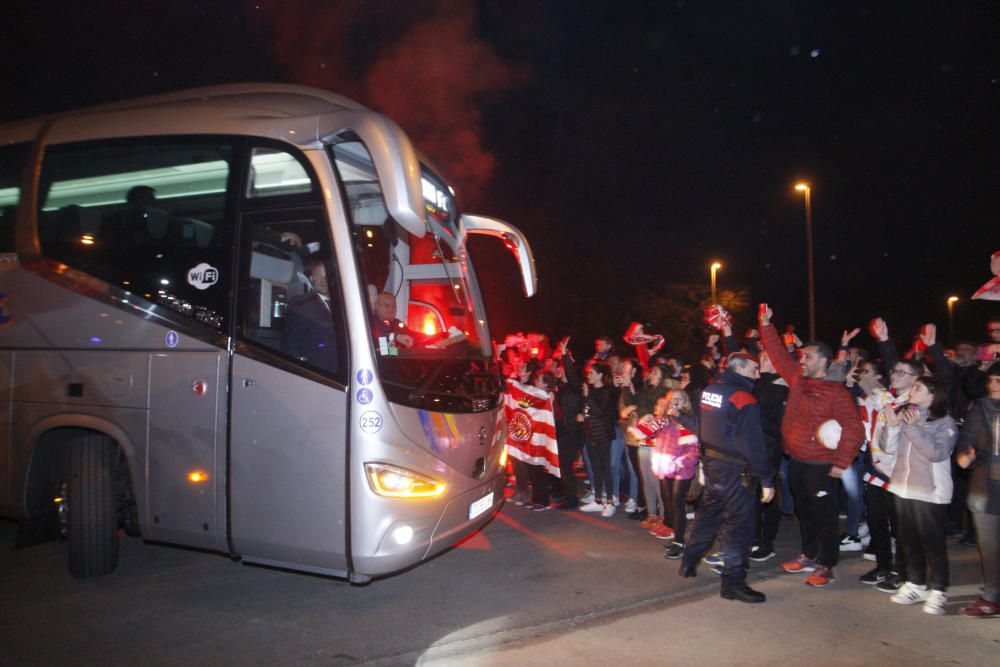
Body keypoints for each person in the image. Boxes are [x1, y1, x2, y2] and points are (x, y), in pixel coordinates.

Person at [759, 305, 865, 588]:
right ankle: (808, 553)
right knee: (803, 512)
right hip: (796, 462)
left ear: (825, 361)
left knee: (825, 515)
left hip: (822, 467)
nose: (801, 359)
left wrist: (841, 463)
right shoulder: (797, 380)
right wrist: (766, 325)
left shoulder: (836, 392)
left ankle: (826, 564)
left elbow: (855, 429)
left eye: (807, 356)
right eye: (801, 355)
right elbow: (778, 354)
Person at [677, 353, 775, 604]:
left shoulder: (712, 389)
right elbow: (753, 443)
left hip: (712, 465)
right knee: (738, 527)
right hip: (735, 470)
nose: (758, 374)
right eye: (754, 369)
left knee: (709, 515)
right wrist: (766, 478)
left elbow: (704, 426)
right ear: (740, 369)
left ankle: (689, 561)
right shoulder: (743, 398)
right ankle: (732, 583)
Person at [880, 376, 957, 615]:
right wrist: (892, 425)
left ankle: (939, 590)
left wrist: (912, 429)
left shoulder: (945, 422)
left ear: (933, 395)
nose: (911, 391)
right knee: (907, 539)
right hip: (903, 487)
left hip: (930, 492)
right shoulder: (906, 416)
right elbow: (888, 448)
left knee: (933, 543)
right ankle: (916, 583)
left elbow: (936, 453)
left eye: (917, 388)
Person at [955, 362, 1000, 617]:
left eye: (999, 380)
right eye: (991, 380)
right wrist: (965, 457)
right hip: (986, 488)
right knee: (990, 547)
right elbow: (965, 441)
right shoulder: (979, 410)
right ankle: (992, 598)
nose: (993, 386)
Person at [281, 259, 339, 374]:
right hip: (314, 373)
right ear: (311, 279)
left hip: (339, 372)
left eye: (327, 276)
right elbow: (291, 343)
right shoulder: (301, 303)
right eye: (318, 276)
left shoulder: (341, 307)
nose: (323, 280)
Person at [579, 362, 617, 517]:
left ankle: (610, 502)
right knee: (595, 467)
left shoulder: (607, 391)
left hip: (603, 434)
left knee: (605, 467)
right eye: (588, 374)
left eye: (592, 373)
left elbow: (600, 412)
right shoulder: (591, 390)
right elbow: (588, 410)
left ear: (600, 375)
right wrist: (582, 414)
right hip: (590, 433)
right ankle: (598, 500)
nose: (589, 376)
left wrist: (588, 397)